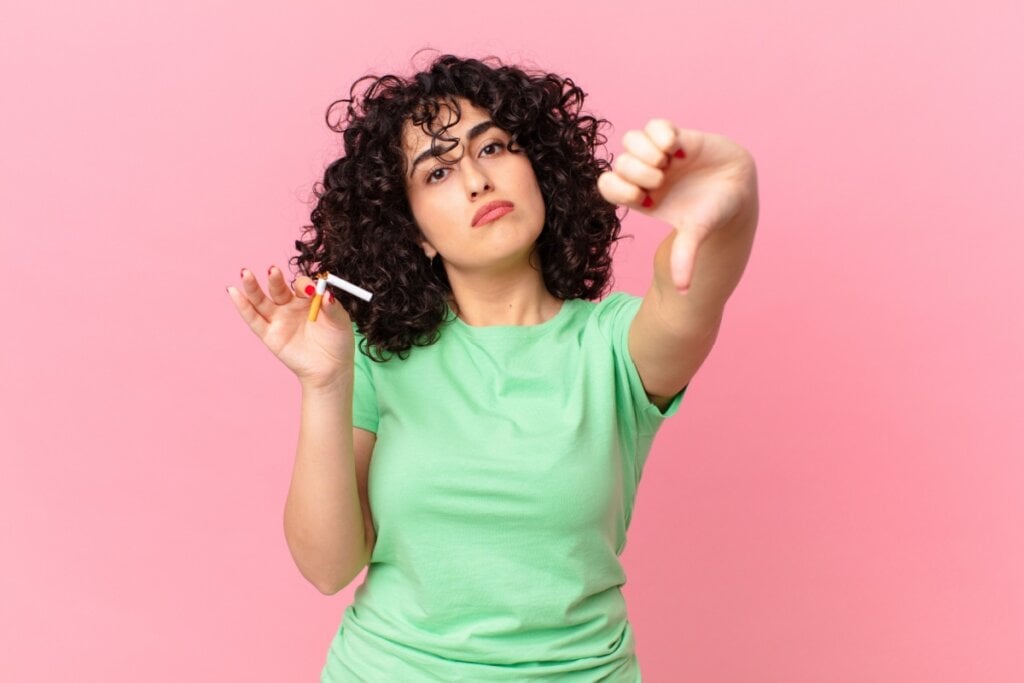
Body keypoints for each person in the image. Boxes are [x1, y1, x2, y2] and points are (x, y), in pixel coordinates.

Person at [227, 53, 758, 682]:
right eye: (438, 172)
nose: (477, 182)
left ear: (540, 170)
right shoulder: (375, 356)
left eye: (495, 148)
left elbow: (691, 292)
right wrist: (324, 384)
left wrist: (734, 199)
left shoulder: (612, 346)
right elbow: (328, 567)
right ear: (415, 232)